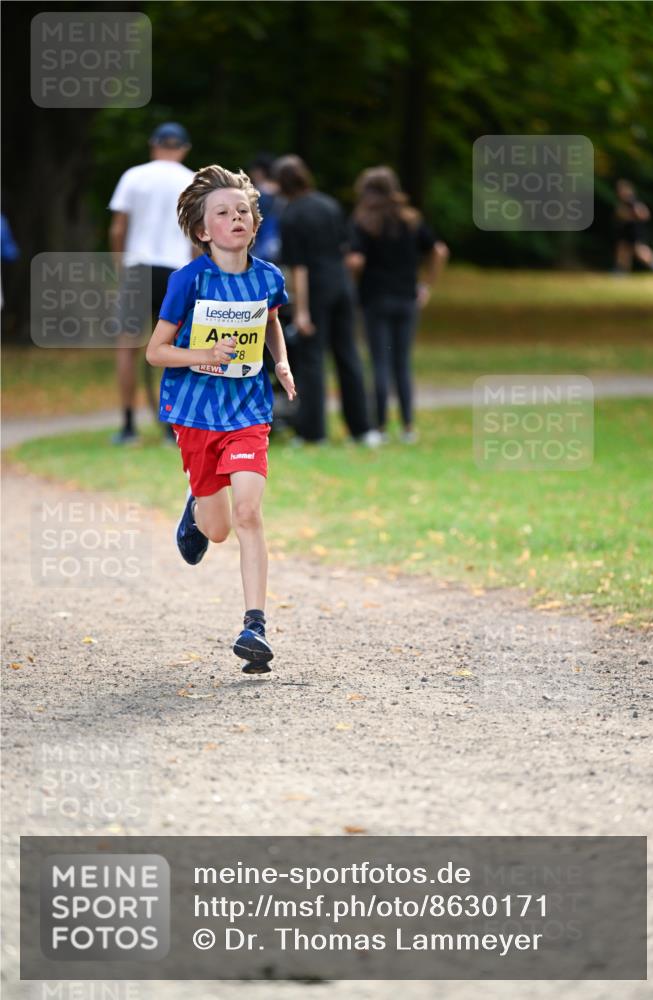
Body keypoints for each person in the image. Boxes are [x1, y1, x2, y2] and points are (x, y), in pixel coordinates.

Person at [145, 166, 296, 674]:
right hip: (195, 413)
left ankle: (255, 625)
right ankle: (195, 509)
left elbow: (271, 321)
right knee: (218, 530)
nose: (236, 218)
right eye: (223, 213)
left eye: (244, 212)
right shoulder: (188, 280)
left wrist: (281, 362)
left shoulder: (269, 276)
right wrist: (203, 354)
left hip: (249, 412)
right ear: (203, 230)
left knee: (249, 511)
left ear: (255, 223)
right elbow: (156, 352)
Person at [274, 155, 380, 446]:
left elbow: (299, 267)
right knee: (348, 356)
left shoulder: (291, 215)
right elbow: (347, 252)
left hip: (317, 289)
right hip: (342, 286)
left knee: (312, 359)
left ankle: (312, 431)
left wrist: (302, 311)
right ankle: (363, 429)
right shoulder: (329, 204)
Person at [347, 166, 449, 443]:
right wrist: (427, 284)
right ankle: (407, 427)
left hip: (374, 299)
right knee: (402, 363)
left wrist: (352, 280)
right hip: (407, 299)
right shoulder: (411, 219)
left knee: (379, 362)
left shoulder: (364, 222)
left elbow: (357, 260)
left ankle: (378, 427)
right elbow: (439, 250)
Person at [109, 122, 195, 444]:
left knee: (127, 347)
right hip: (176, 271)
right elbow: (196, 237)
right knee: (174, 349)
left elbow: (118, 228)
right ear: (184, 148)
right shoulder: (192, 181)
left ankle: (128, 425)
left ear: (152, 144)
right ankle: (173, 426)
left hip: (138, 266)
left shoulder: (134, 176)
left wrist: (120, 267)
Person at [613, 179, 653, 274]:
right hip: (626, 231)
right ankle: (621, 271)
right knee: (623, 250)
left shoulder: (633, 202)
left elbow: (645, 214)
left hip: (635, 230)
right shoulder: (623, 203)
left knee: (640, 251)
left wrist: (630, 216)